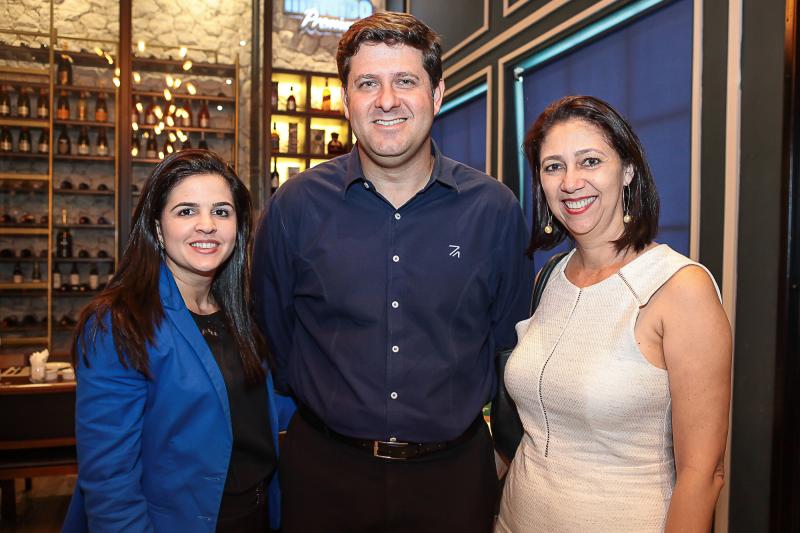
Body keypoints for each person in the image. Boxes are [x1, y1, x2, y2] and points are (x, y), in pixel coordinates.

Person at [253, 11, 532, 533]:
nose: (386, 100)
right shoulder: (294, 207)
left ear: (437, 93)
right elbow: (273, 335)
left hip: (453, 481)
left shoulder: (494, 210)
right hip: (325, 476)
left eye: (405, 80)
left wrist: (502, 452)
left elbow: (508, 344)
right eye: (367, 84)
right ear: (345, 100)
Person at [495, 96, 731, 532]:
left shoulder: (680, 289)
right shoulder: (549, 277)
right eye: (553, 166)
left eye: (590, 161)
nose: (571, 182)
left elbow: (704, 474)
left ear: (627, 171)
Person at [62, 150, 295, 532]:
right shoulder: (119, 323)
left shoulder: (240, 314)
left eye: (221, 212)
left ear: (238, 228)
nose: (207, 225)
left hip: (256, 515)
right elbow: (109, 481)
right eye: (186, 211)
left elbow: (257, 410)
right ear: (157, 228)